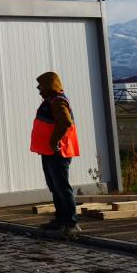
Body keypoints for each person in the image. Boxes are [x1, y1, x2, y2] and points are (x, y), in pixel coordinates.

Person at [31, 71, 81, 238]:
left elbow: (65, 121)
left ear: (49, 85)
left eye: (41, 85)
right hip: (49, 151)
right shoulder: (50, 101)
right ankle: (60, 220)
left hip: (58, 151)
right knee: (55, 187)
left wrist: (54, 141)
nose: (38, 88)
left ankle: (71, 223)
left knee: (62, 187)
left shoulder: (58, 101)